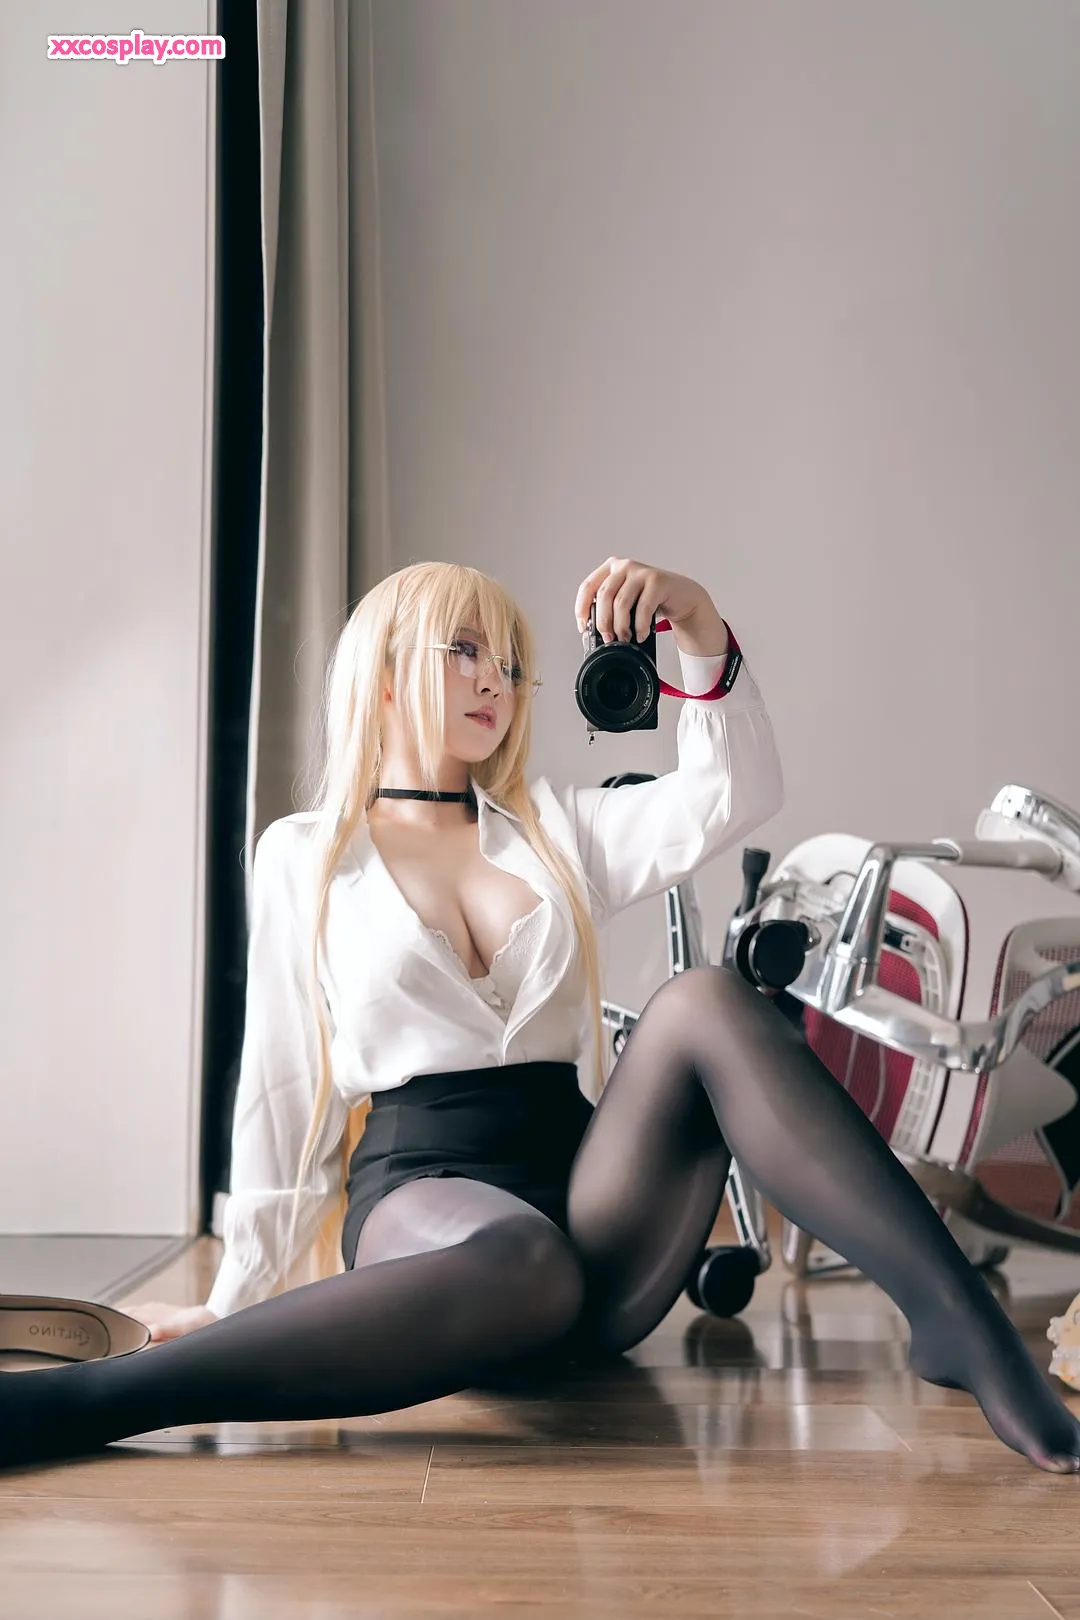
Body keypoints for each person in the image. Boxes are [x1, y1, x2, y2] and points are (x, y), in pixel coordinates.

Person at [3, 557, 1078, 1475]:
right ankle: (93, 1402)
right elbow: (283, 1083)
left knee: (707, 999)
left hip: (593, 1223)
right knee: (520, 1257)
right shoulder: (309, 853)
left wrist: (696, 621)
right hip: (428, 1203)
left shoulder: (554, 828)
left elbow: (735, 794)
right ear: (385, 672)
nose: (498, 680)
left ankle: (960, 1325)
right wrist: (239, 1291)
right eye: (465, 651)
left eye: (513, 665)